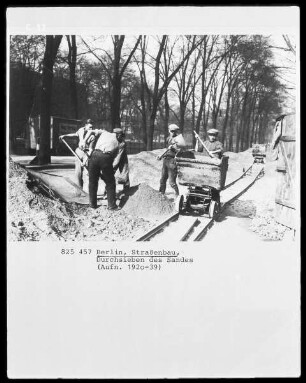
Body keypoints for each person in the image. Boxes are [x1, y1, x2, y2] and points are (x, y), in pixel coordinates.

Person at [81, 128, 119, 210]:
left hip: (94, 155)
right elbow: (111, 161)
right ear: (119, 135)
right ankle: (112, 206)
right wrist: (106, 174)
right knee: (110, 182)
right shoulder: (117, 144)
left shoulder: (105, 132)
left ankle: (92, 204)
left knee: (92, 182)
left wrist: (83, 141)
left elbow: (90, 131)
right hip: (106, 157)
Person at [59, 119, 95, 188]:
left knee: (86, 172)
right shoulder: (81, 130)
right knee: (78, 172)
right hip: (79, 152)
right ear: (85, 126)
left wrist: (85, 161)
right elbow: (75, 135)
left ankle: (87, 191)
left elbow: (90, 150)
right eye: (90, 127)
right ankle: (79, 190)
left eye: (92, 127)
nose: (91, 129)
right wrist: (65, 136)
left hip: (87, 154)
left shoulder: (92, 136)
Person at [158, 123, 186, 197]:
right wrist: (161, 156)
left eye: (174, 131)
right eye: (171, 131)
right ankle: (161, 194)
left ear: (176, 131)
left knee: (172, 182)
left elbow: (181, 151)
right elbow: (166, 150)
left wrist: (173, 148)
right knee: (162, 179)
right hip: (165, 160)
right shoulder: (168, 138)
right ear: (169, 130)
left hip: (172, 161)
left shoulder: (179, 140)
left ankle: (177, 196)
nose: (173, 133)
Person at [113, 128, 130, 194]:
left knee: (124, 176)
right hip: (114, 159)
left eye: (118, 135)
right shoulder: (113, 141)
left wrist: (113, 166)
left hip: (122, 160)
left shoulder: (122, 143)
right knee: (109, 176)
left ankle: (126, 192)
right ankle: (108, 192)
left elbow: (118, 157)